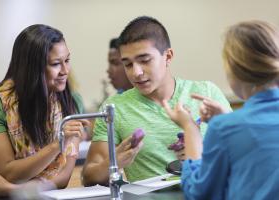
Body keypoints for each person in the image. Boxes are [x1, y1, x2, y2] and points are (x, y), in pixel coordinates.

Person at [82, 16, 231, 186]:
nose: (136, 72)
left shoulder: (206, 92)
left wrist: (198, 148)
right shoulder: (115, 108)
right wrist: (114, 162)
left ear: (168, 56)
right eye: (128, 64)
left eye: (145, 60)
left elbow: (241, 154)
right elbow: (89, 177)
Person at [163, 20, 279, 199]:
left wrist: (190, 129)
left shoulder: (226, 128)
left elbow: (200, 193)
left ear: (234, 68)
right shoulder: (230, 126)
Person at [0, 24, 89, 199]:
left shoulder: (73, 101)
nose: (65, 71)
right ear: (31, 68)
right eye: (55, 64)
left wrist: (13, 190)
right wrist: (57, 144)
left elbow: (63, 179)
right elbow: (10, 174)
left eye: (67, 60)